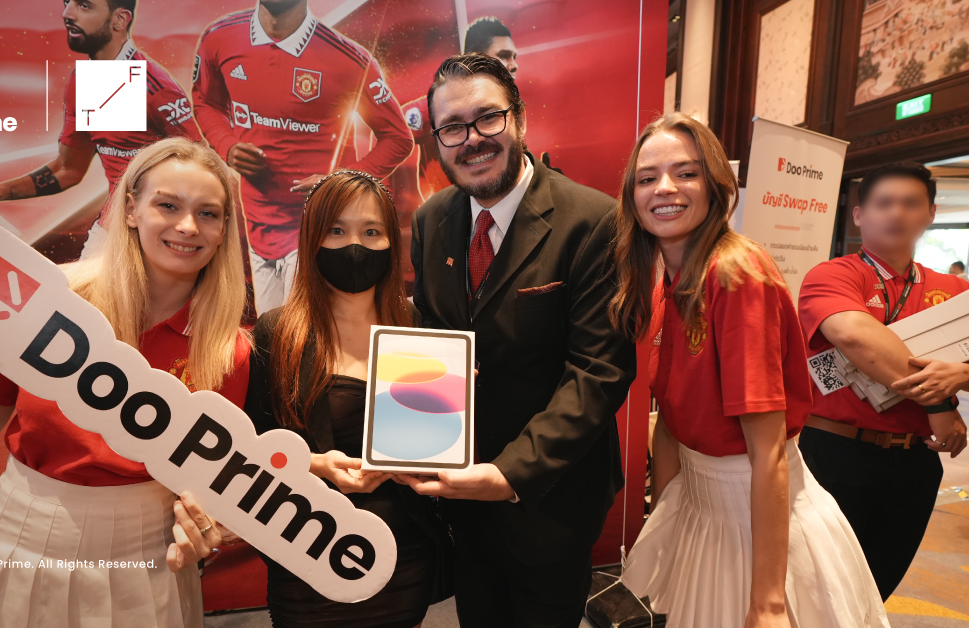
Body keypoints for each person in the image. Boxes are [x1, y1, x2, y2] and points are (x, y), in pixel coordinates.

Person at [0, 138, 249, 627]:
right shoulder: (52, 302)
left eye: (208, 214)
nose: (188, 226)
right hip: (20, 535)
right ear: (130, 209)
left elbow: (206, 482)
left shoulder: (229, 350)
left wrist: (205, 524)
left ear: (224, 229)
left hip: (149, 557)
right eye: (168, 205)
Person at [614, 112, 888, 628]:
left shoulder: (736, 275)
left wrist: (768, 601)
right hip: (701, 512)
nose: (664, 188)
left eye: (686, 173)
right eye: (647, 178)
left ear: (716, 186)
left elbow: (768, 452)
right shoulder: (664, 280)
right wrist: (667, 522)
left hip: (756, 522)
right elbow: (671, 421)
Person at [403, 54, 636, 628]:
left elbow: (598, 373)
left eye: (488, 118)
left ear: (521, 119)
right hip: (462, 495)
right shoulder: (431, 220)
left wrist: (509, 475)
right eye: (452, 128)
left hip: (550, 498)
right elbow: (429, 338)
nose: (472, 140)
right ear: (437, 141)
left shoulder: (593, 220)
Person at [797, 161, 969, 599]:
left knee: (878, 586)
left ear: (931, 214)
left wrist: (964, 372)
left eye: (911, 203)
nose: (897, 213)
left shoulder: (954, 289)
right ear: (860, 215)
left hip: (915, 460)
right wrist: (939, 403)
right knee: (817, 587)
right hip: (835, 452)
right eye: (884, 203)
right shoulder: (835, 275)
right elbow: (857, 338)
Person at [244, 170, 439, 627]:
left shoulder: (418, 330)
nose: (355, 246)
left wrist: (450, 413)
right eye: (336, 230)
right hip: (306, 546)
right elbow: (251, 450)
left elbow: (432, 452)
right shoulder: (278, 333)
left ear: (391, 242)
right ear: (312, 238)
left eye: (371, 232)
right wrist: (315, 465)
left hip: (404, 552)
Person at [193, 0, 414, 314]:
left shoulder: (350, 59)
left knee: (301, 337)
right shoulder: (219, 36)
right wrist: (226, 145)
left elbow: (398, 138)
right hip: (257, 226)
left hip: (317, 228)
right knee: (268, 333)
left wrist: (339, 183)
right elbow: (205, 101)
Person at [0, 0, 203, 258]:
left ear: (120, 20)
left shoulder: (154, 87)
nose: (67, 14)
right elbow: (68, 170)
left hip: (159, 237)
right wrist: (1, 190)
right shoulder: (85, 82)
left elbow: (203, 170)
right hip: (111, 228)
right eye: (67, 3)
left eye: (84, 5)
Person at [401, 16, 520, 203]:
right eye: (454, 127)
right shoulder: (430, 110)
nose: (513, 65)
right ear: (475, 57)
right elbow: (391, 135)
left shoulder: (510, 109)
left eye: (489, 118)